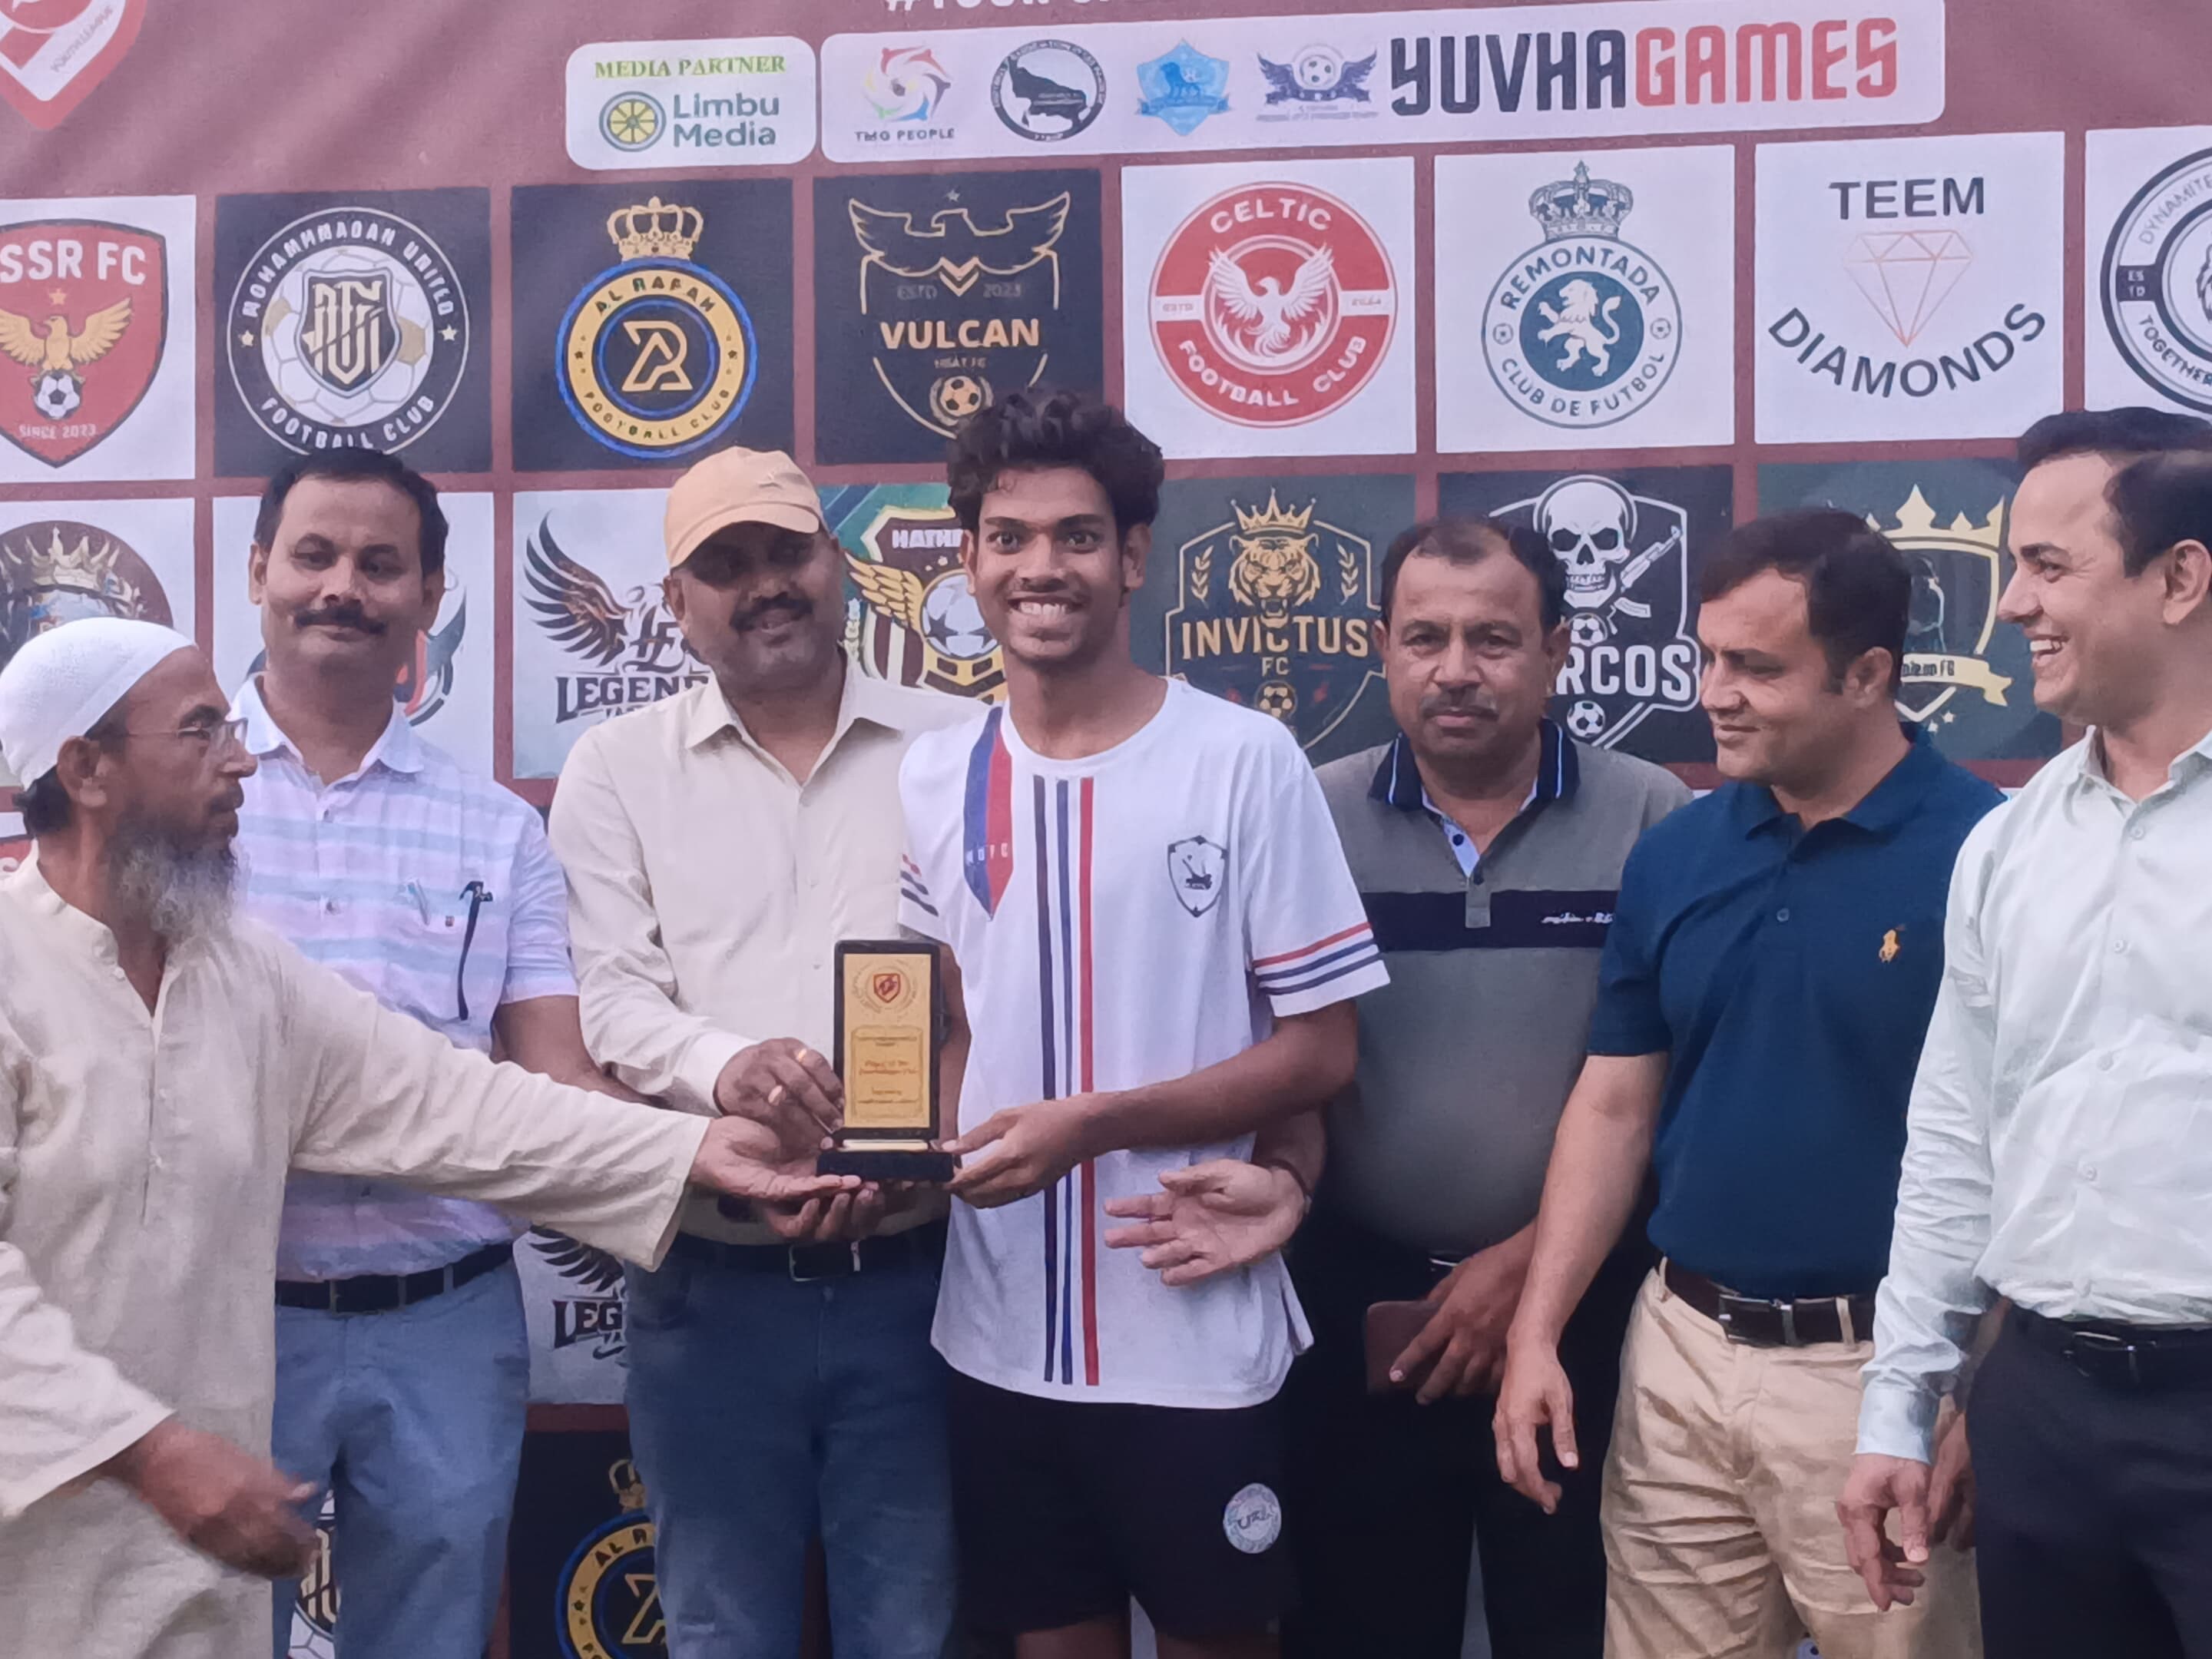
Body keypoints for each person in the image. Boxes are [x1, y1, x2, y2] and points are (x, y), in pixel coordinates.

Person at [0, 618, 850, 1659]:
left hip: (202, 1552)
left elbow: (454, 1103)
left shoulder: (243, 975)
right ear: (85, 769)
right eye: (200, 731)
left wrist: (690, 1152)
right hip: (49, 1539)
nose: (239, 761)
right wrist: (154, 1454)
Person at [896, 389, 1387, 1659]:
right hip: (997, 1338)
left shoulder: (1244, 758)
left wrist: (1095, 1125)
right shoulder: (934, 773)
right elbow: (954, 1022)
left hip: (1191, 1327)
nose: (1040, 567)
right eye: (1008, 538)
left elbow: (1322, 1051)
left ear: (1132, 557)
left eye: (1076, 537)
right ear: (968, 559)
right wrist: (911, 1153)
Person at [1492, 511, 1999, 1659]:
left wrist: (1988, 1391)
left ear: (1867, 675)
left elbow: (2038, 1141)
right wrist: (1537, 1332)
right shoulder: (1677, 851)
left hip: (1890, 1375)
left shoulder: (1990, 856)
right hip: (1676, 1355)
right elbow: (1614, 1105)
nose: (1713, 694)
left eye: (1757, 668)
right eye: (1707, 657)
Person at [548, 446, 969, 1657]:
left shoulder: (959, 747)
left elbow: (998, 999)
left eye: (787, 552)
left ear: (840, 564)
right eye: (725, 566)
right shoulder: (615, 770)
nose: (765, 585)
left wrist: (931, 1144)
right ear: (677, 606)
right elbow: (612, 1001)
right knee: (722, 1636)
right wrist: (727, 1067)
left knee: (918, 1636)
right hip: (707, 1293)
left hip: (921, 1285)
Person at [230, 449, 636, 1659]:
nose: (342, 587)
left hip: (445, 1319)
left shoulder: (498, 831)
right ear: (257, 572)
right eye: (313, 556)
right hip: (226, 1310)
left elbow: (556, 1075)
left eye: (379, 564)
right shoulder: (178, 802)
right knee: (200, 1633)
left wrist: (710, 1154)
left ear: (430, 595)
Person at [1275, 516, 1687, 1659]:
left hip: (1586, 1308)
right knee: (1363, 1630)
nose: (1455, 670)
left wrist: (1530, 1267)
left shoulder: (1654, 817)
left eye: (1493, 640)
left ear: (1557, 651)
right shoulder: (1309, 816)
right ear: (1382, 648)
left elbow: (1680, 1086)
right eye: (1425, 638)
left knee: (1571, 1623)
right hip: (1361, 1311)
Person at [1843, 410, 2212, 1658]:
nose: (2011, 605)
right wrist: (1900, 1410)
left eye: (2050, 566)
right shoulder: (2005, 847)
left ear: (2181, 577)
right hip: (2042, 1420)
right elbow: (1956, 1137)